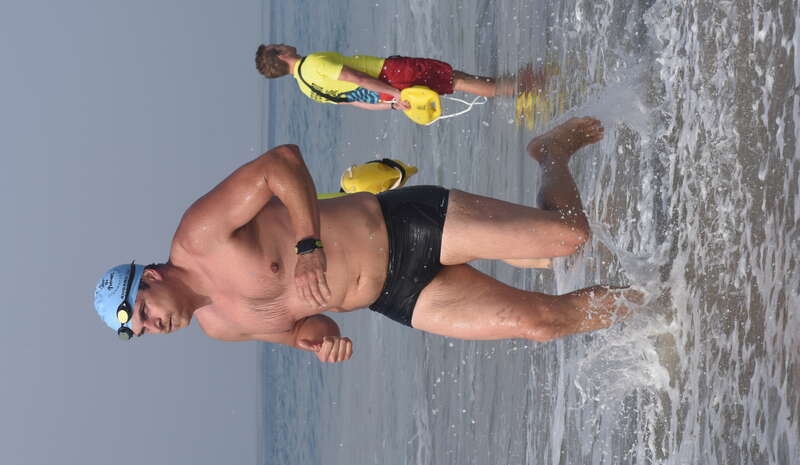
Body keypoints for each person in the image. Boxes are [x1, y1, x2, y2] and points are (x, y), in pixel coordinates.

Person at [93, 117, 640, 363]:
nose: (150, 326)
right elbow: (303, 327)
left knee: (568, 239)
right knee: (540, 325)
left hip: (403, 223)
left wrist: (308, 247)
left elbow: (280, 163)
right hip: (394, 296)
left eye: (140, 310)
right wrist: (322, 339)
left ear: (152, 277)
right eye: (138, 331)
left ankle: (551, 154)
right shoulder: (220, 327)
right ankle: (659, 303)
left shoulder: (198, 236)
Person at [254, 44, 496, 111]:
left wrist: (391, 103)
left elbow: (356, 100)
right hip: (389, 75)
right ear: (281, 55)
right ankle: (518, 88)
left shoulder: (306, 89)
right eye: (277, 45)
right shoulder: (312, 63)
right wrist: (396, 93)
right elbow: (356, 78)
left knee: (456, 81)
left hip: (385, 93)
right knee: (457, 80)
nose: (283, 43)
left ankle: (513, 88)